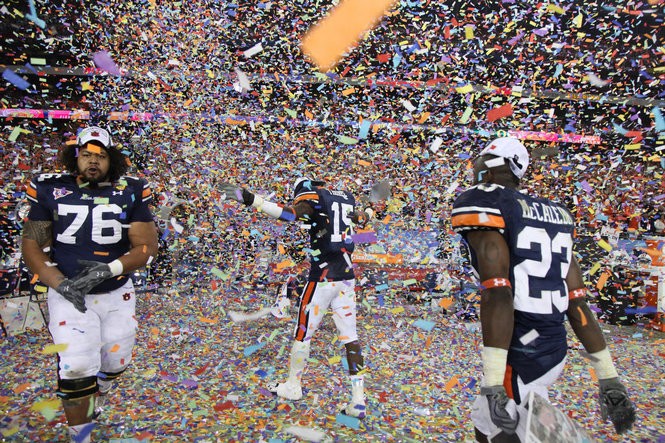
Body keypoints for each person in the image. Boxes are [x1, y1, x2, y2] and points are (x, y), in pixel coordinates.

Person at [451, 137, 635, 442]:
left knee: (509, 432)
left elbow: (498, 291)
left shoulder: (485, 200)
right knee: (485, 425)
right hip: (553, 346)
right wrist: (608, 377)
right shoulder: (557, 213)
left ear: (502, 166)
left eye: (483, 159)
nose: (476, 166)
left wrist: (494, 381)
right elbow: (577, 302)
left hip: (521, 350)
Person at [21, 126, 158, 442]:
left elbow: (147, 247)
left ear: (112, 160)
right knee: (77, 366)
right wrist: (60, 284)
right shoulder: (51, 188)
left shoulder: (130, 190)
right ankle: (81, 436)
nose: (93, 161)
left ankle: (102, 389)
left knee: (116, 361)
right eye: (86, 154)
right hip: (68, 294)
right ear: (75, 157)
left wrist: (107, 269)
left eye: (101, 155)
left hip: (116, 291)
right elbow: (32, 245)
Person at [221, 177, 372, 418]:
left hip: (322, 279)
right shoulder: (346, 198)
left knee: (303, 334)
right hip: (346, 278)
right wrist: (367, 213)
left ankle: (293, 386)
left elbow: (290, 214)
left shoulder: (314, 198)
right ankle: (358, 401)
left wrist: (253, 200)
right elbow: (361, 220)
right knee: (351, 339)